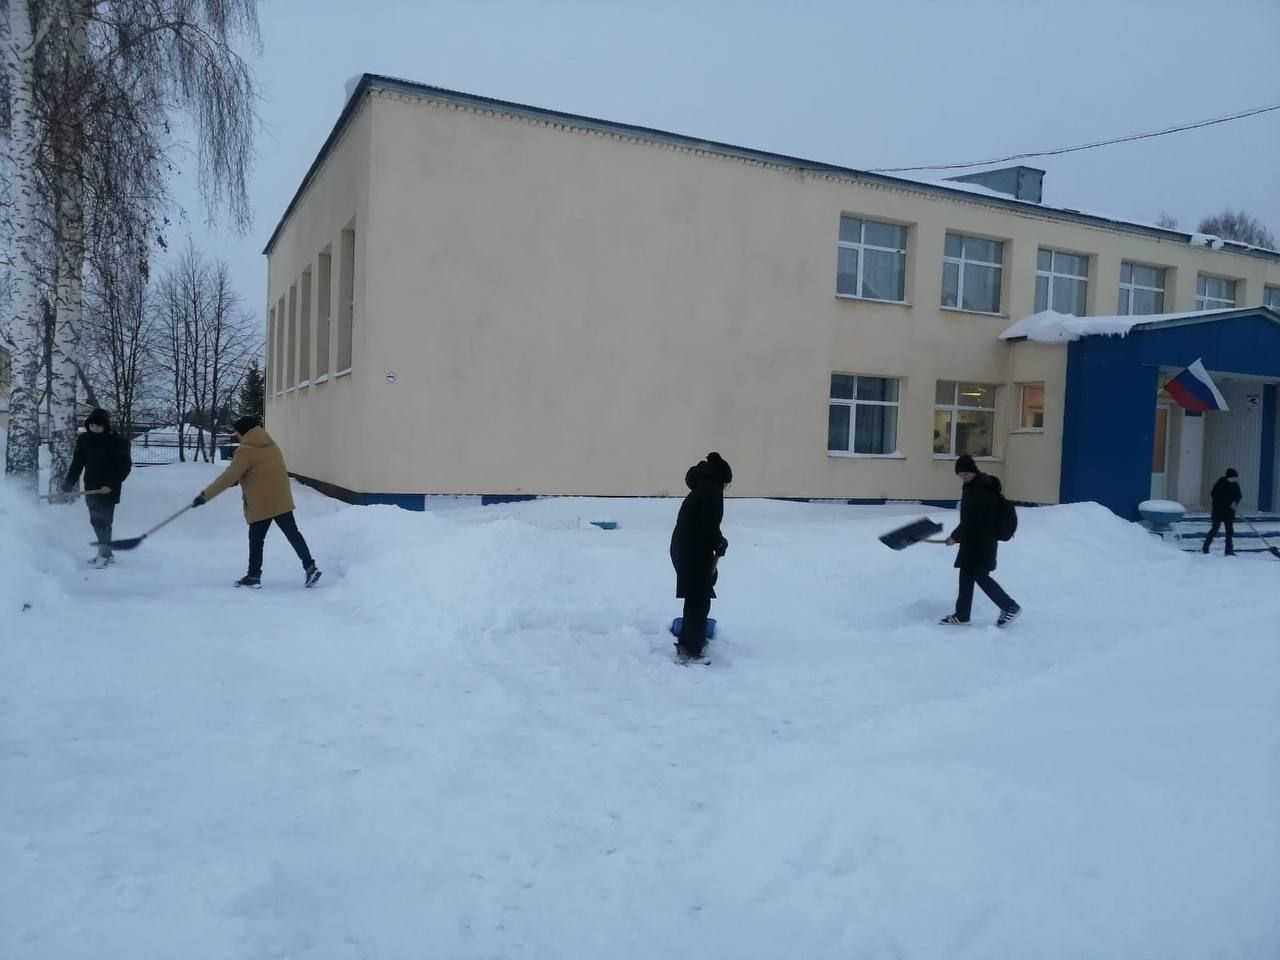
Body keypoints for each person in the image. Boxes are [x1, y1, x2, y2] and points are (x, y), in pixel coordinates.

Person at [192, 415, 321, 589]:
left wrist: (205, 496)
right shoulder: (271, 444)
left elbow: (228, 477)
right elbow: (262, 469)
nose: (237, 436)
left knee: (256, 539)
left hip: (261, 503)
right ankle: (310, 566)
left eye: (238, 433)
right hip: (281, 499)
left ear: (244, 432)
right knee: (293, 533)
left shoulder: (245, 450)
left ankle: (253, 576)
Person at [940, 454, 1020, 627]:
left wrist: (955, 537)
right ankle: (962, 615)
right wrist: (959, 536)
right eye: (960, 475)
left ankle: (1009, 606)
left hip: (981, 544)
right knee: (966, 576)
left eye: (965, 474)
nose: (963, 478)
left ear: (973, 471)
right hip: (975, 542)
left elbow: (972, 520)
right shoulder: (975, 486)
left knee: (980, 576)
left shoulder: (980, 489)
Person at [670, 451, 731, 659]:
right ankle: (689, 648)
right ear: (722, 478)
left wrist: (716, 542)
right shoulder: (712, 490)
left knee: (698, 594)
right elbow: (708, 523)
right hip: (692, 549)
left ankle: (691, 641)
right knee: (699, 598)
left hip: (685, 548)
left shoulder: (701, 488)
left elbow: (705, 524)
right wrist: (719, 541)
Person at [62, 408, 133, 567]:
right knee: (95, 521)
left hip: (108, 488)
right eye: (92, 425)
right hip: (91, 487)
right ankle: (105, 553)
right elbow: (77, 464)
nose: (95, 429)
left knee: (104, 521)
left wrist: (111, 485)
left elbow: (124, 468)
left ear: (105, 426)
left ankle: (106, 554)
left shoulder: (117, 443)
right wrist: (68, 484)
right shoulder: (84, 440)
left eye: (99, 426)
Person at [1203, 468, 1242, 556]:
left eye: (1236, 478)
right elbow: (1215, 496)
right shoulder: (1220, 484)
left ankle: (1229, 550)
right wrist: (1228, 503)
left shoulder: (1235, 485)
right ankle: (1206, 547)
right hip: (1219, 511)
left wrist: (1235, 502)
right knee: (1215, 528)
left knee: (1229, 530)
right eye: (1234, 478)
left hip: (1229, 512)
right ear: (1229, 477)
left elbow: (1238, 495)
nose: (1235, 479)